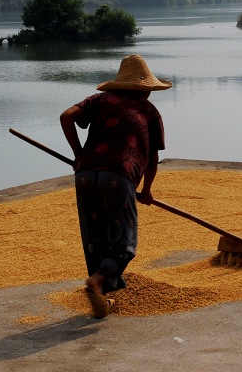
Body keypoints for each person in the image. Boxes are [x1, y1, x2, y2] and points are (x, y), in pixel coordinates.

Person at [60, 53, 171, 318]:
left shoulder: (98, 100)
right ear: (144, 89)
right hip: (118, 177)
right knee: (125, 242)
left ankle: (102, 296)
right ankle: (98, 281)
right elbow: (153, 159)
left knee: (96, 235)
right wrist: (146, 190)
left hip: (85, 175)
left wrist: (78, 155)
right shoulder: (149, 111)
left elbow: (66, 116)